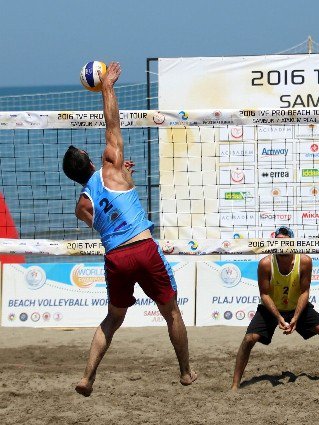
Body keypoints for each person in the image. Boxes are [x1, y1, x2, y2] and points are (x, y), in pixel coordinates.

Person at [62, 62, 196, 397]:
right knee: (172, 312)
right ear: (90, 159)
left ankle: (87, 377)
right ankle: (186, 372)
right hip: (142, 248)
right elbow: (112, 122)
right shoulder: (112, 165)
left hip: (116, 258)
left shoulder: (82, 202)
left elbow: (100, 214)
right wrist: (107, 85)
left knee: (113, 319)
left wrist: (126, 179)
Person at [231, 226, 319, 390]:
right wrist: (279, 318)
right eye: (278, 242)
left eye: (285, 242)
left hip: (297, 307)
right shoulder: (266, 263)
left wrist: (295, 317)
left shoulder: (304, 261)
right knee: (249, 339)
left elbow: (304, 291)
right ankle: (234, 384)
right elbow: (264, 294)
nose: (281, 245)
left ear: (293, 243)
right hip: (271, 308)